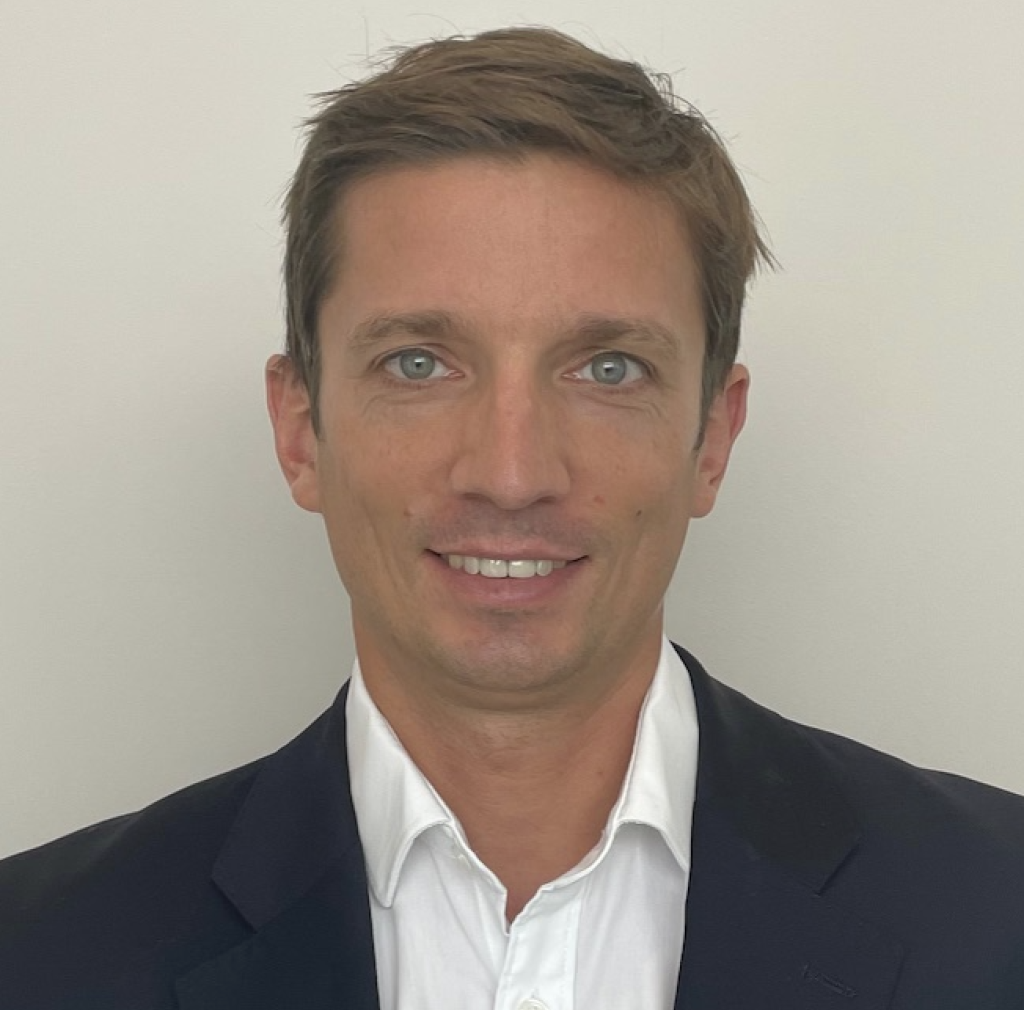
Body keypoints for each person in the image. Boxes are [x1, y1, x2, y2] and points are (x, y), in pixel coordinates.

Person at [2, 25, 1023, 1010]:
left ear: (712, 437)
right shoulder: (35, 954)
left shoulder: (999, 912)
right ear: (301, 428)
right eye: (418, 363)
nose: (511, 472)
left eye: (607, 368)